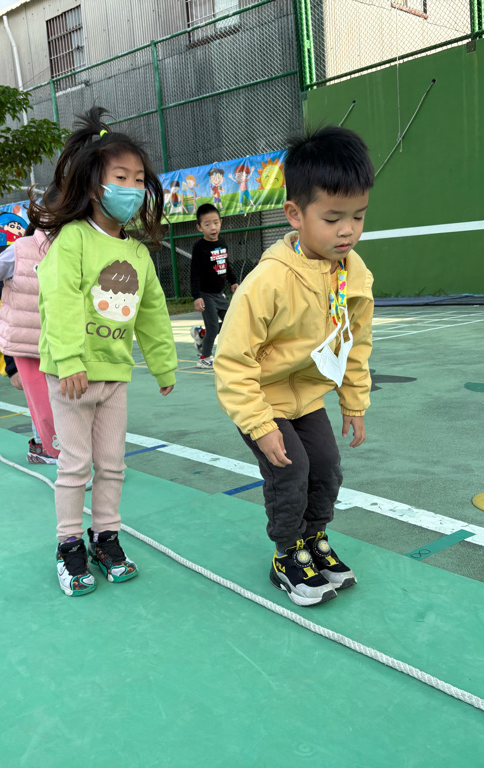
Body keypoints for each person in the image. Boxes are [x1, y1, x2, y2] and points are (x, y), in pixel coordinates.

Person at [213, 126, 376, 608]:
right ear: (295, 214)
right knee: (291, 468)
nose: (347, 230)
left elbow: (354, 343)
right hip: (262, 399)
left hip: (305, 396)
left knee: (326, 465)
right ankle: (287, 553)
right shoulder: (269, 280)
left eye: (358, 216)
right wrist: (260, 425)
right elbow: (231, 359)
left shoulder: (354, 275)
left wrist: (354, 402)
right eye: (332, 218)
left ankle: (314, 539)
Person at [29, 106, 176, 597]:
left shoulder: (136, 252)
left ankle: (106, 537)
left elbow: (151, 311)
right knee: (75, 464)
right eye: (121, 178)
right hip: (71, 375)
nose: (131, 188)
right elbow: (60, 299)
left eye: (139, 179)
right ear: (95, 186)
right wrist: (70, 359)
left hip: (114, 375)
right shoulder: (72, 239)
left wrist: (163, 364)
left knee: (112, 464)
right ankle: (68, 544)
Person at [0, 213, 61, 465]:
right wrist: (10, 368)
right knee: (40, 402)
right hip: (24, 350)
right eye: (6, 252)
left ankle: (56, 443)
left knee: (57, 399)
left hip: (51, 344)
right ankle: (42, 446)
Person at [189, 203, 238, 368]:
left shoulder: (222, 243)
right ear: (199, 227)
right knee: (213, 327)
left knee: (233, 321)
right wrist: (197, 297)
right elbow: (194, 273)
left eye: (216, 223)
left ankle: (201, 335)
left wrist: (233, 281)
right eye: (207, 224)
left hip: (219, 294)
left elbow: (226, 264)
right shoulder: (199, 247)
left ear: (221, 222)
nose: (213, 227)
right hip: (206, 295)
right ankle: (205, 358)